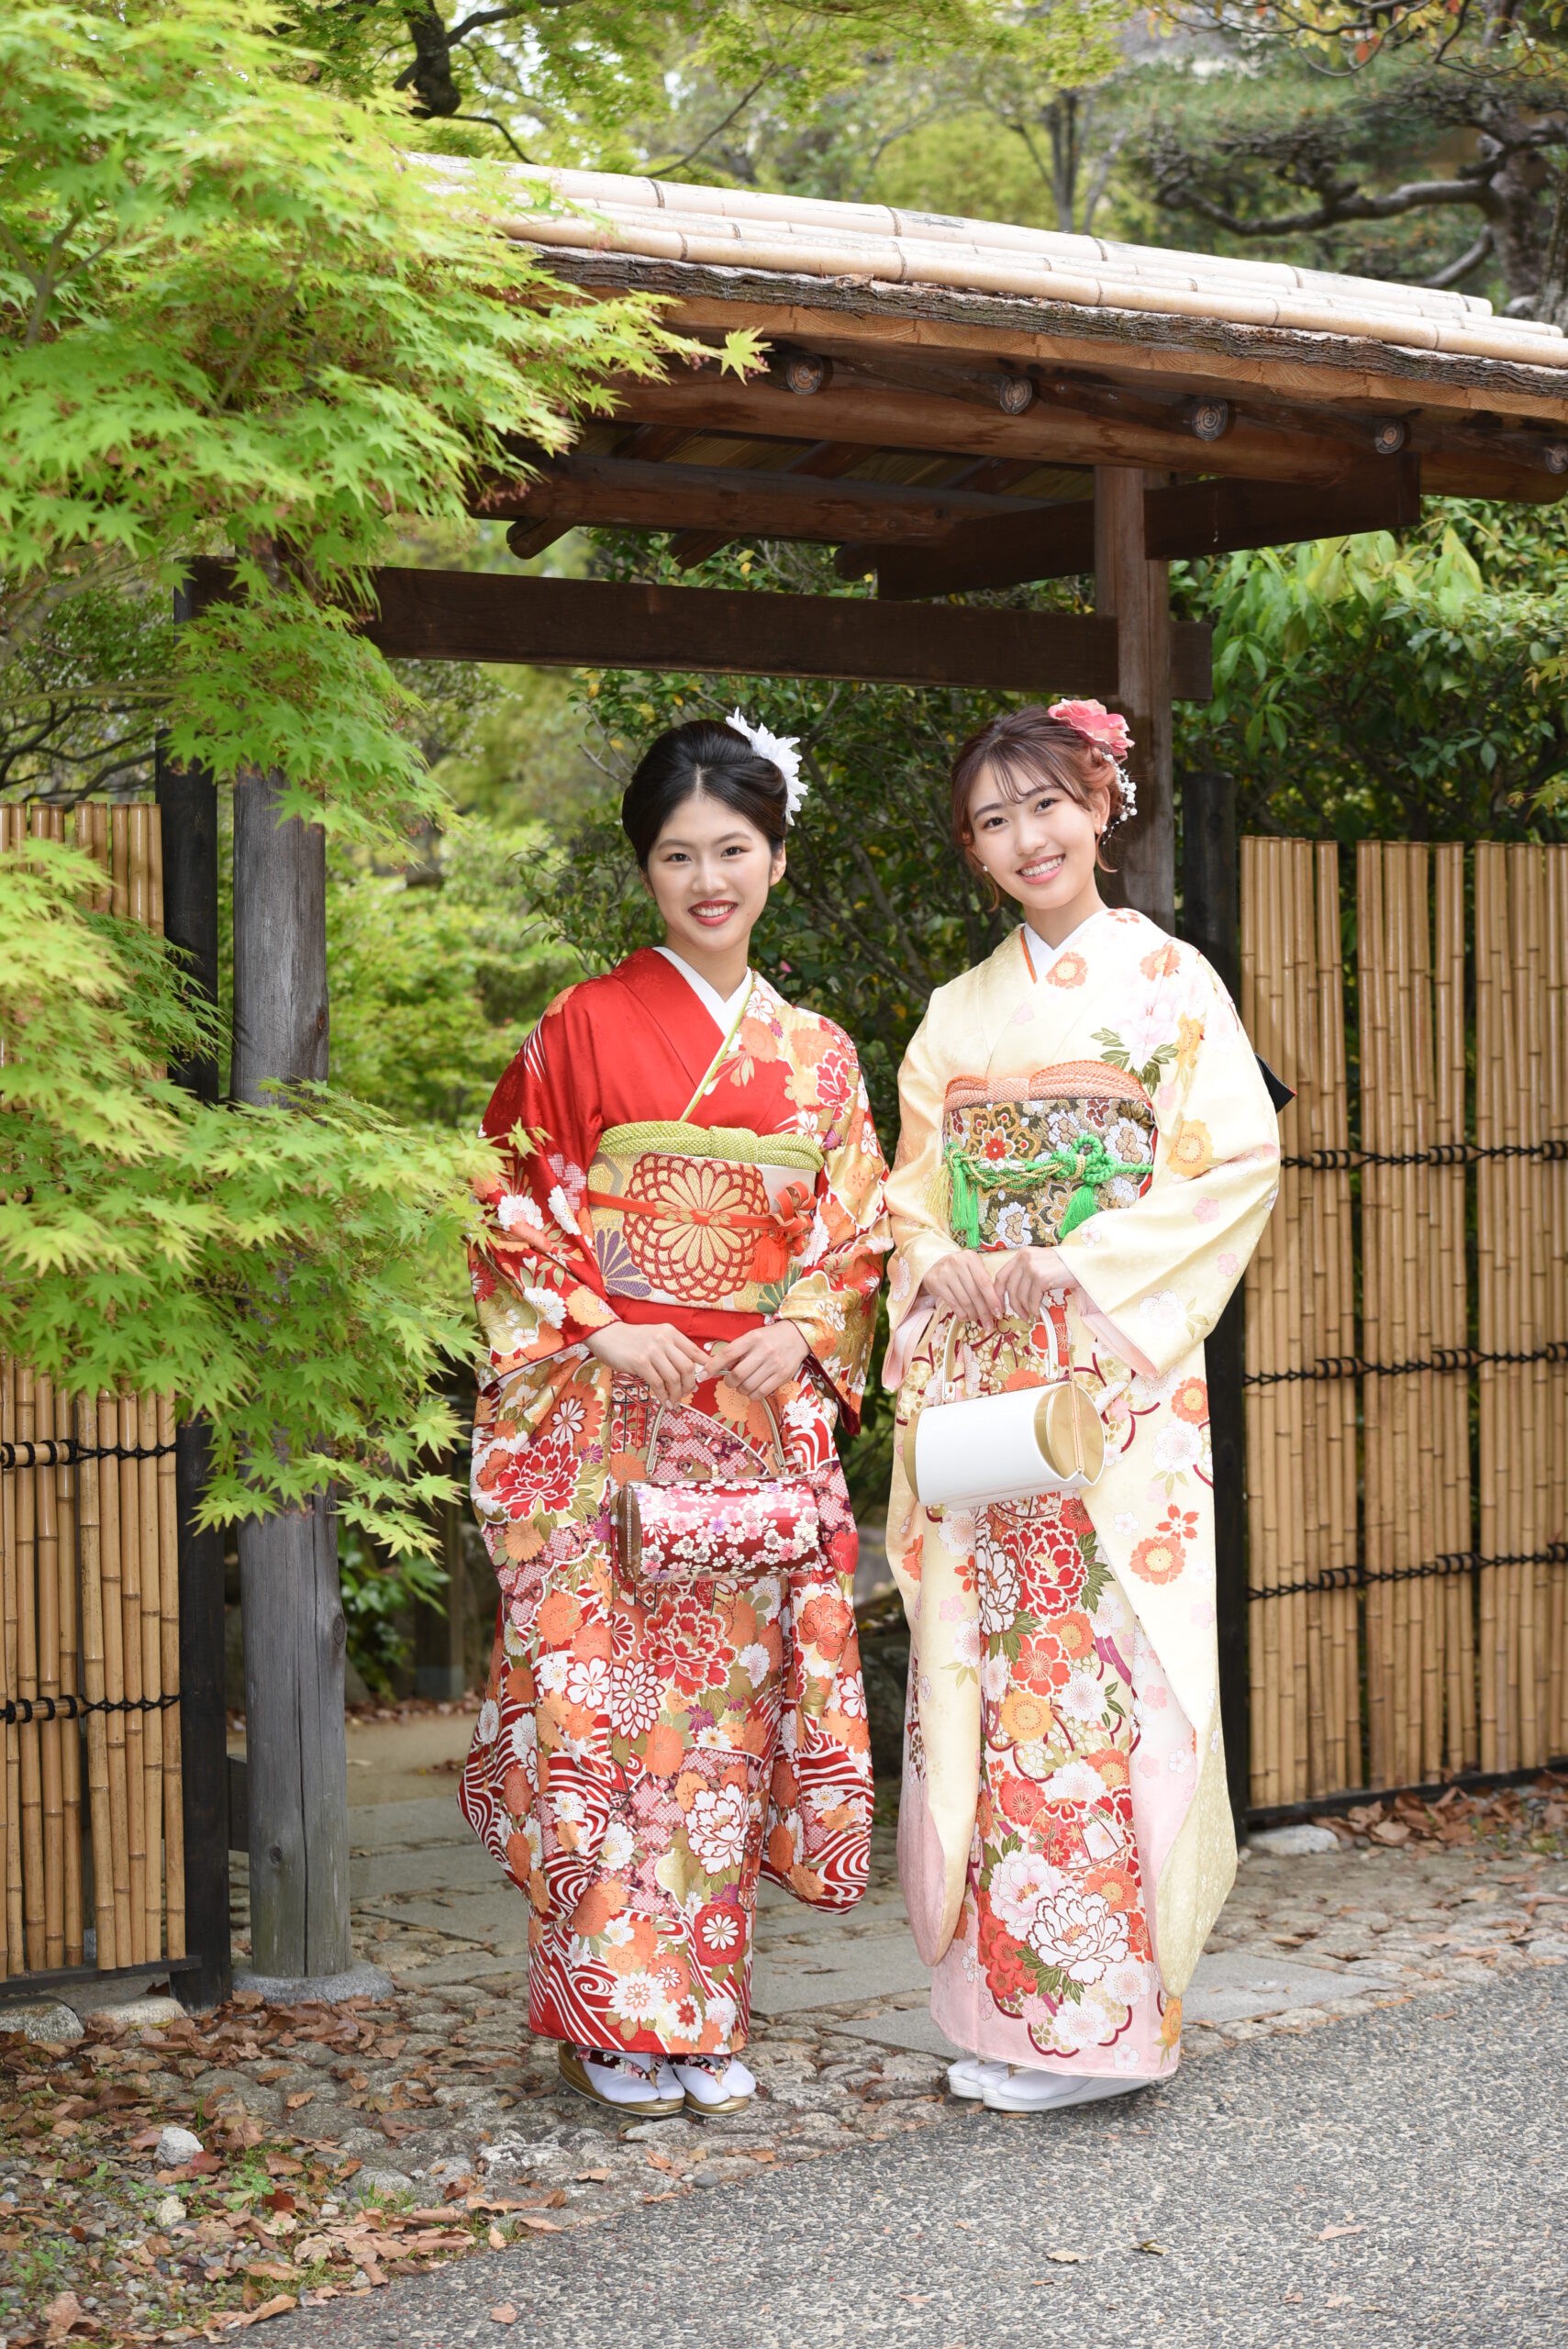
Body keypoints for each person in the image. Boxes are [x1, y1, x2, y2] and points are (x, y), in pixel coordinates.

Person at [459, 712, 889, 2121]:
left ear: (776, 858)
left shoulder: (818, 1055)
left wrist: (802, 1328)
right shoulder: (580, 1026)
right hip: (603, 1423)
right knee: (596, 1715)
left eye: (733, 850)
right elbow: (507, 1201)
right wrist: (599, 1321)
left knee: (719, 1726)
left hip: (747, 1428)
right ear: (644, 870)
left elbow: (855, 1227)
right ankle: (607, 2013)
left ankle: (698, 2017)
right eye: (678, 856)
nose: (709, 880)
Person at [883, 701, 1278, 2113]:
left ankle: (1102, 2033)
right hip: (987, 1377)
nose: (1024, 839)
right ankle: (1004, 2016)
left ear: (1102, 805)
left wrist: (1072, 1259)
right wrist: (938, 1258)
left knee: (1103, 1687)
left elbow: (1231, 1164)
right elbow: (908, 1193)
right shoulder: (953, 1013)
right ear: (973, 849)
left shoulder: (1172, 983)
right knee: (989, 1687)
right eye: (991, 821)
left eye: (1045, 805)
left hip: (1109, 1386)